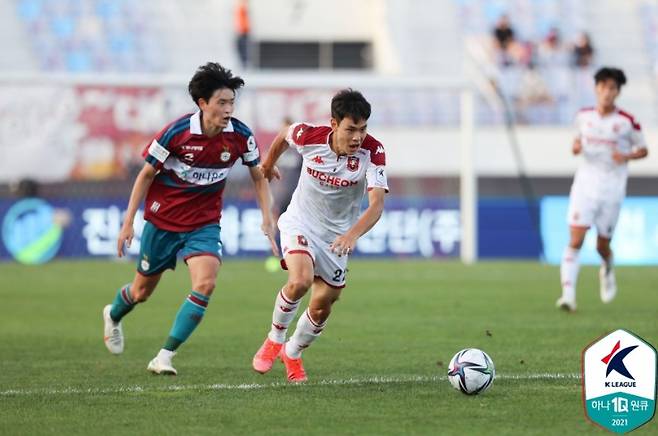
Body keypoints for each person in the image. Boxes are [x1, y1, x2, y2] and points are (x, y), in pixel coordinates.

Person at [102, 62, 278, 374]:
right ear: (202, 103)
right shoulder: (177, 133)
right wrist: (128, 222)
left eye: (231, 103)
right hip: (163, 222)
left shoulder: (239, 135)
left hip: (204, 223)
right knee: (141, 292)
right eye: (221, 103)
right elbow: (145, 176)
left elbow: (258, 175)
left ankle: (164, 356)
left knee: (206, 283)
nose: (228, 109)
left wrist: (267, 217)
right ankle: (114, 314)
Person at [252, 89, 388, 382]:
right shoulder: (309, 135)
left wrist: (351, 235)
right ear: (334, 123)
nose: (357, 137)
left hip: (337, 237)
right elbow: (284, 134)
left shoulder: (373, 152)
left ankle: (293, 352)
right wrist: (268, 163)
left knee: (324, 304)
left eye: (363, 129)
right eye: (351, 129)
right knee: (300, 280)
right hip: (301, 222)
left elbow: (376, 205)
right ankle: (275, 339)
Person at [556, 67, 648, 312]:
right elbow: (576, 142)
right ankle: (568, 295)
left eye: (612, 88)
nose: (607, 92)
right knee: (575, 238)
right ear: (596, 88)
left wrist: (627, 155)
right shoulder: (583, 116)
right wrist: (575, 147)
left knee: (601, 246)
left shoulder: (627, 122)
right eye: (603, 86)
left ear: (617, 92)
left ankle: (607, 267)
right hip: (585, 185)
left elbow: (644, 150)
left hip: (612, 189)